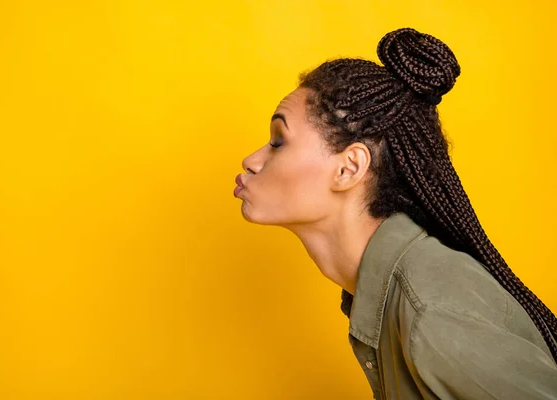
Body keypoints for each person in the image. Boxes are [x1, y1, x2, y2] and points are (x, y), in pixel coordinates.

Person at [233, 27, 557, 399]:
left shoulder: (431, 314)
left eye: (278, 141)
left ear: (348, 169)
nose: (252, 160)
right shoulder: (384, 291)